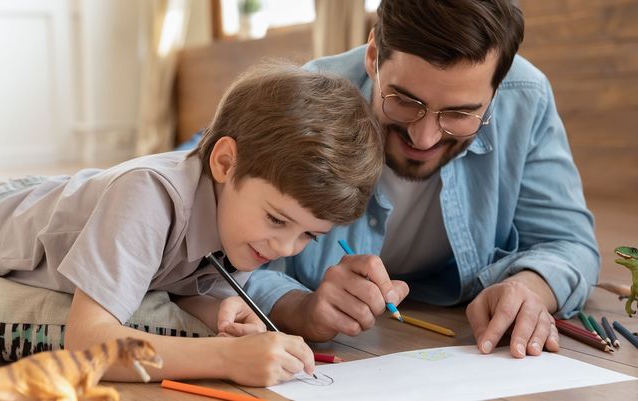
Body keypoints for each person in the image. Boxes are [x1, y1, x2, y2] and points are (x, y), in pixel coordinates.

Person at [0, 63, 383, 386]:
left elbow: (176, 281)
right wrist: (226, 358)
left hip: (71, 190)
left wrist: (219, 309)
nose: (285, 248)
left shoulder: (239, 218)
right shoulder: (148, 197)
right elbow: (86, 341)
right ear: (224, 163)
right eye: (277, 219)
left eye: (309, 235)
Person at [244, 0, 600, 359]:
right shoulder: (302, 103)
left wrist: (530, 287)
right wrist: (300, 308)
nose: (424, 138)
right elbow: (213, 261)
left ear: (496, 90)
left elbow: (569, 243)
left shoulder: (526, 97)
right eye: (404, 101)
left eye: (460, 113)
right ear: (373, 56)